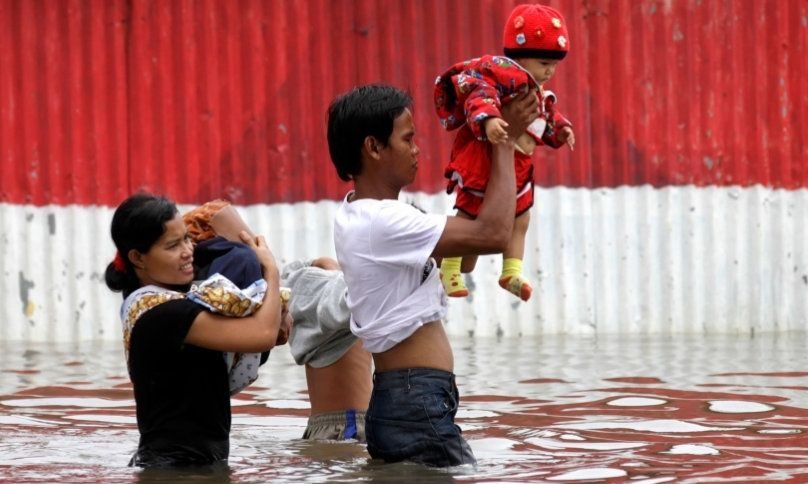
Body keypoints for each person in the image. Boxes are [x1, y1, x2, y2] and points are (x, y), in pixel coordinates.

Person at [327, 84, 538, 466]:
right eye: (407, 139)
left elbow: (466, 258)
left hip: (408, 398)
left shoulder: (365, 214)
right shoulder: (383, 221)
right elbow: (493, 234)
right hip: (414, 400)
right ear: (374, 148)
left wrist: (479, 171)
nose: (417, 149)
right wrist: (506, 145)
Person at [104, 193, 284, 468]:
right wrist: (270, 270)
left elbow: (256, 337)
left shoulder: (160, 303)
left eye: (188, 238)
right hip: (177, 469)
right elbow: (263, 335)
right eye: (173, 245)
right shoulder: (162, 314)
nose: (188, 251)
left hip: (186, 465)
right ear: (138, 258)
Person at [434, 3, 576, 301]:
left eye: (554, 65)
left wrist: (561, 131)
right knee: (470, 218)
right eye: (543, 63)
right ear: (519, 57)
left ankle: (511, 270)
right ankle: (449, 268)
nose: (549, 71)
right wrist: (490, 121)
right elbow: (479, 95)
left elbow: (545, 115)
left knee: (521, 219)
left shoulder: (533, 87)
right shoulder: (502, 76)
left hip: (519, 164)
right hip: (486, 161)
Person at [283, 257, 372, 442]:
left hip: (317, 427)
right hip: (351, 424)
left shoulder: (305, 323)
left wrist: (322, 265)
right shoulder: (340, 314)